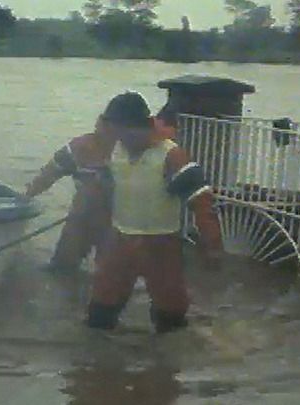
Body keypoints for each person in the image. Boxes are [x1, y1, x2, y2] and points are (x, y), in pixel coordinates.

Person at [86, 92, 223, 334]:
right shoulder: (113, 150)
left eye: (128, 134)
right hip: (121, 241)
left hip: (160, 246)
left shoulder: (172, 156)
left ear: (145, 126)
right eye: (118, 133)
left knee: (171, 324)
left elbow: (202, 205)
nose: (123, 140)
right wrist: (99, 237)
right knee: (98, 320)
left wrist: (212, 247)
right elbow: (103, 194)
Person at [24, 109, 117, 274]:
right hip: (81, 217)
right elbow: (48, 175)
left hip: (118, 222)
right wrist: (25, 198)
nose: (105, 129)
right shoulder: (79, 148)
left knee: (111, 274)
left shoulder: (133, 150)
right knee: (60, 270)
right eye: (104, 123)